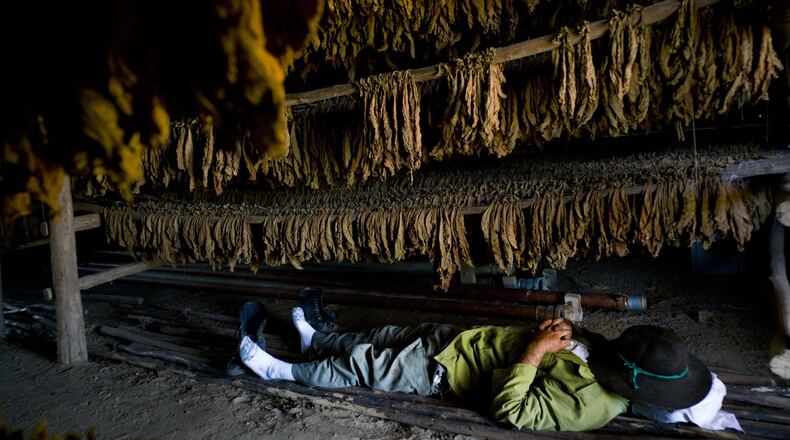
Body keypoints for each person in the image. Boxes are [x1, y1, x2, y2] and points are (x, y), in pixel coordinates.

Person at [236, 300, 734, 432]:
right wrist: (565, 331)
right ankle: (316, 338)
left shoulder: (590, 406)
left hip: (443, 371)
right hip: (461, 339)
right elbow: (586, 343)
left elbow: (511, 410)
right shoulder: (610, 359)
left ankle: (279, 370)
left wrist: (536, 352)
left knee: (362, 366)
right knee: (378, 335)